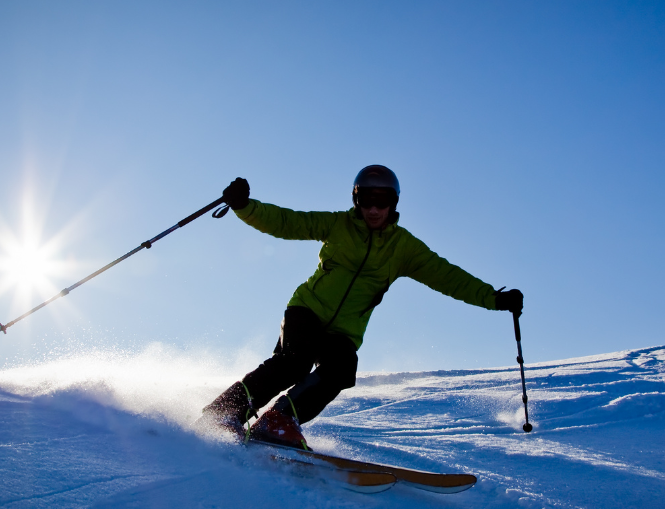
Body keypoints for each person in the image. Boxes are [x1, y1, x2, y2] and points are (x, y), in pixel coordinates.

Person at [198, 165, 523, 449]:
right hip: (307, 309)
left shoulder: (404, 248)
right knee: (293, 364)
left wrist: (494, 299)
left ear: (393, 203)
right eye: (366, 199)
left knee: (341, 369)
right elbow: (287, 222)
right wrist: (245, 206)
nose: (373, 208)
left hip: (344, 331)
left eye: (381, 201)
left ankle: (278, 421)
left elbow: (448, 277)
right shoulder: (338, 225)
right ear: (357, 200)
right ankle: (224, 412)